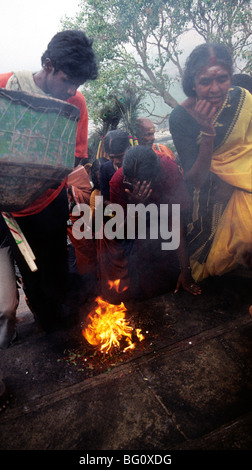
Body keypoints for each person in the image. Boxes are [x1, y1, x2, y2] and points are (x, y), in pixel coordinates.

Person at [0, 30, 98, 348]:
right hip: (11, 213)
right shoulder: (6, 88)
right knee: (30, 270)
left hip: (50, 202)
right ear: (48, 64)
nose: (71, 90)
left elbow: (77, 155)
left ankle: (67, 317)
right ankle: (48, 323)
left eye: (77, 85)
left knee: (56, 264)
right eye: (67, 80)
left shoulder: (76, 102)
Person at [169, 42, 252, 283]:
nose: (215, 89)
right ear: (193, 83)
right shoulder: (181, 117)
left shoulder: (243, 99)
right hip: (210, 195)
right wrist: (208, 133)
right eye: (206, 81)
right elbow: (195, 178)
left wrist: (240, 179)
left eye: (223, 79)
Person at [109, 145, 201, 300]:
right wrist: (138, 208)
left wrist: (185, 270)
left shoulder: (168, 169)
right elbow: (121, 233)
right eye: (134, 181)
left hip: (172, 235)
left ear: (155, 177)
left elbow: (176, 221)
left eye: (144, 182)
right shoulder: (118, 182)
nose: (138, 185)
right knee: (151, 291)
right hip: (141, 243)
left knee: (179, 282)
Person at [99, 129, 131, 203]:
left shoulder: (139, 165)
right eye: (112, 157)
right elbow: (105, 199)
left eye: (120, 156)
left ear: (129, 148)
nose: (116, 162)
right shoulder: (105, 169)